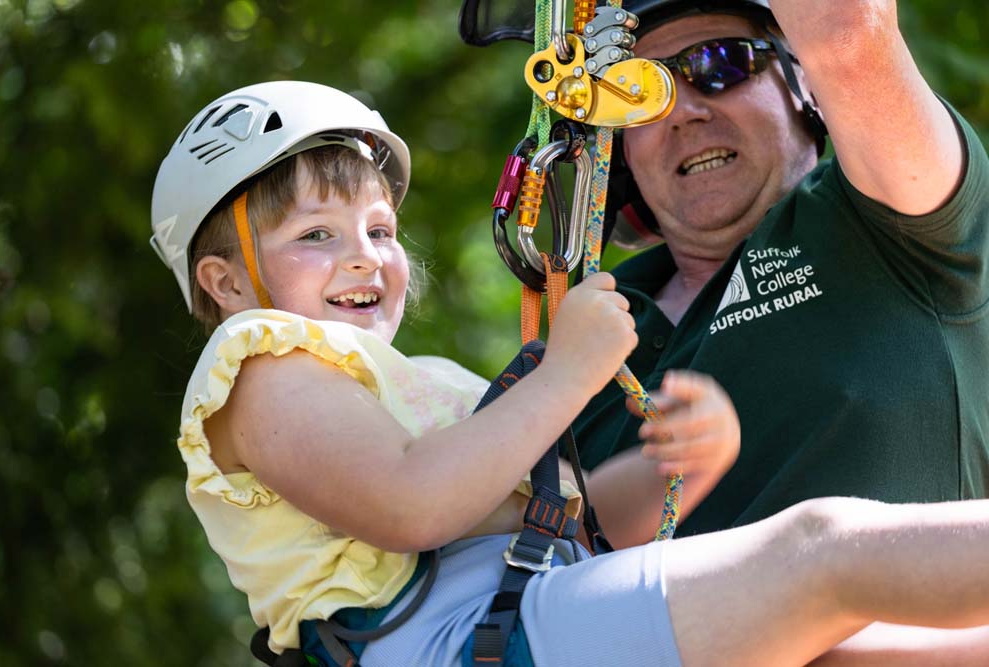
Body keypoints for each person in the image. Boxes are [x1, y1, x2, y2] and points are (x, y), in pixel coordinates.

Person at [151, 80, 989, 667]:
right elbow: (410, 505)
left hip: (511, 623)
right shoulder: (260, 365)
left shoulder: (407, 387)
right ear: (225, 283)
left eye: (377, 229)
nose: (364, 257)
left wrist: (672, 466)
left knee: (892, 650)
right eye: (316, 236)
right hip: (449, 644)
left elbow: (565, 528)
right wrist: (567, 372)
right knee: (824, 550)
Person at [572, 0, 989, 546]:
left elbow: (848, 35)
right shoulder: (574, 330)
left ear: (804, 86)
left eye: (719, 63)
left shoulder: (897, 219)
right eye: (640, 92)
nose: (682, 111)